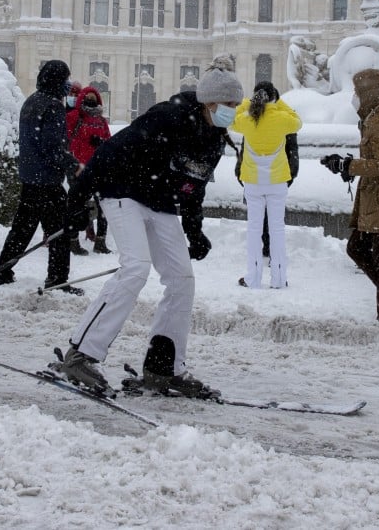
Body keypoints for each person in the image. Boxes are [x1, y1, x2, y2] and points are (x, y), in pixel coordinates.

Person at [54, 55, 244, 395]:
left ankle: (163, 367)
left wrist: (195, 230)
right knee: (136, 268)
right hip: (123, 191)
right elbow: (110, 151)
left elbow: (193, 186)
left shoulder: (216, 138)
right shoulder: (168, 118)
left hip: (161, 204)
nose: (233, 110)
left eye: (236, 104)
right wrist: (77, 203)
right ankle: (81, 355)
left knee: (182, 279)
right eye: (228, 103)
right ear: (209, 100)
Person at [322, 68, 379, 329]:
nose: (354, 98)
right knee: (360, 249)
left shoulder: (377, 120)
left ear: (368, 94)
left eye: (357, 92)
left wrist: (349, 166)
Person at [0, 60, 82, 293]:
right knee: (60, 231)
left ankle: (2, 270)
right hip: (48, 179)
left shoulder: (32, 101)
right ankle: (57, 280)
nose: (67, 84)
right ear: (56, 81)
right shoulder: (52, 106)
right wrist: (73, 165)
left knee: (22, 228)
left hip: (30, 176)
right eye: (65, 79)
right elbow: (52, 147)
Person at [230, 81, 302, 289]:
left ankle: (253, 278)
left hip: (253, 181)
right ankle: (279, 279)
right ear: (273, 97)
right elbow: (297, 121)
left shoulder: (246, 119)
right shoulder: (281, 118)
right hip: (277, 181)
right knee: (277, 229)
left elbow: (231, 119)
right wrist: (278, 104)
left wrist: (247, 103)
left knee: (253, 229)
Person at [66, 85, 113, 255]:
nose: (91, 101)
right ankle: (73, 241)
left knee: (104, 206)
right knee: (77, 206)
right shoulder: (74, 117)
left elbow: (109, 142)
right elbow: (66, 139)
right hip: (80, 169)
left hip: (99, 169)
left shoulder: (101, 121)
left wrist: (101, 143)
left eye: (94, 98)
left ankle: (100, 241)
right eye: (88, 97)